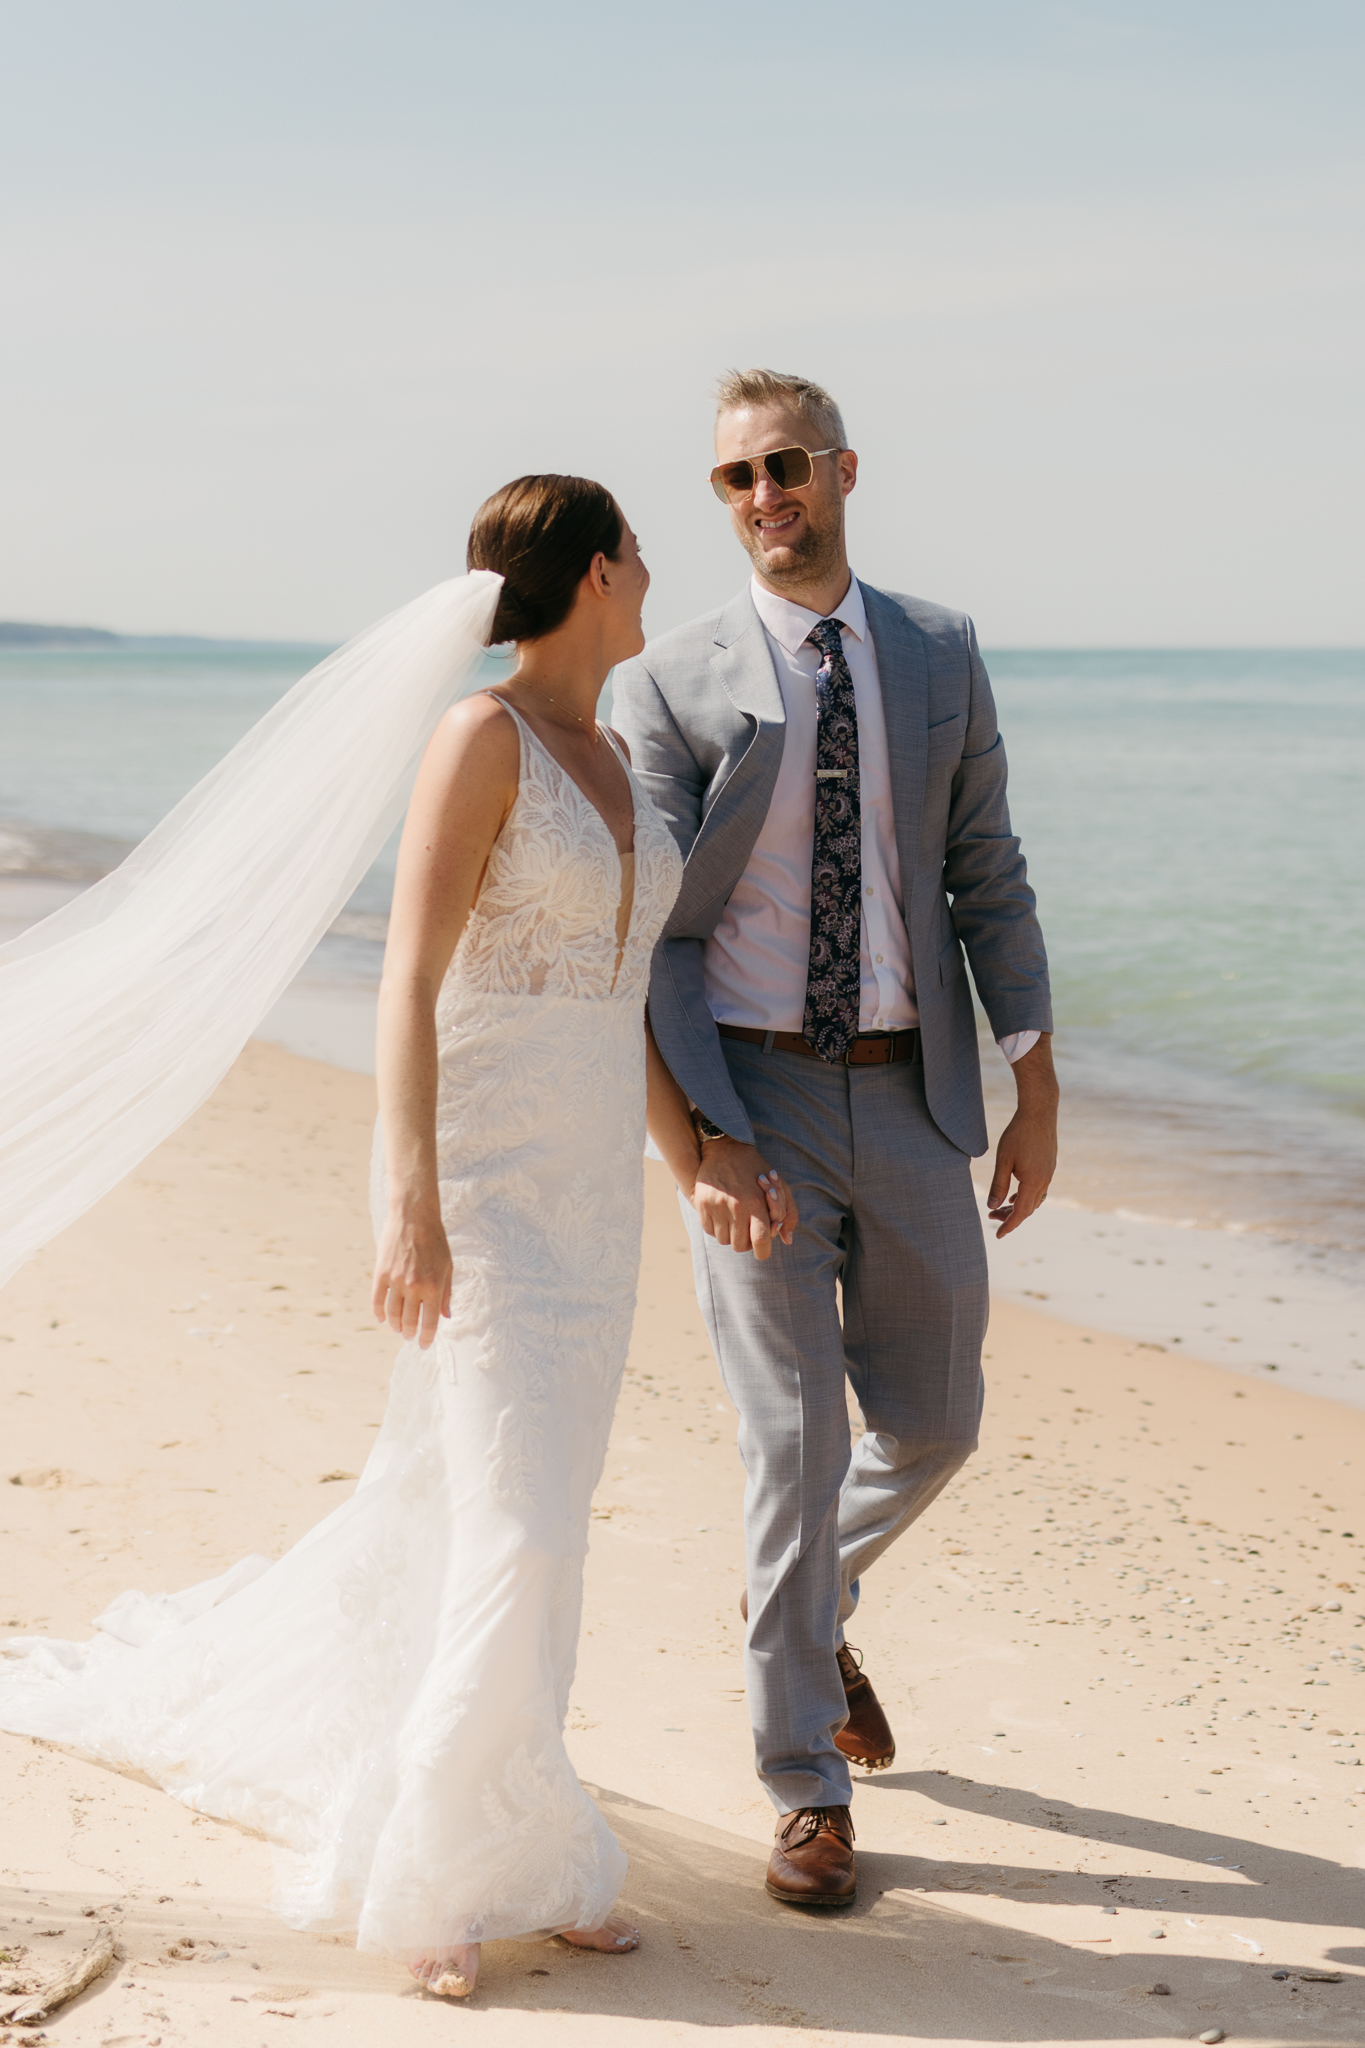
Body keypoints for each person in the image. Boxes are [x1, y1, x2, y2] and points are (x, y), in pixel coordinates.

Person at [0, 475, 786, 1999]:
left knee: (533, 1509)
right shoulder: (476, 740)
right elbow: (405, 981)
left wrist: (685, 1155)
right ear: (595, 577)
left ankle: (533, 1838)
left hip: (592, 1202)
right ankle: (433, 1866)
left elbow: (616, 992)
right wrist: (408, 1201)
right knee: (523, 1523)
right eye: (635, 552)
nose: (649, 574)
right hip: (486, 1198)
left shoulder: (615, 752)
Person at [613, 369, 1058, 1909]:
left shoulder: (936, 649)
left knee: (934, 1423)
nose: (760, 496)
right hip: (755, 1097)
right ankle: (801, 1783)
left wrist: (1034, 1084)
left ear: (843, 470)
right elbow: (653, 940)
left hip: (917, 1086)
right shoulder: (667, 681)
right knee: (790, 1446)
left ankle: (802, 1599)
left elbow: (983, 870)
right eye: (732, 478)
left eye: (783, 465)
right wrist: (703, 1144)